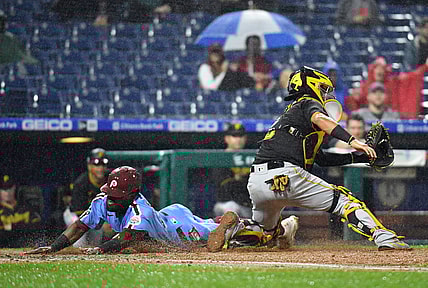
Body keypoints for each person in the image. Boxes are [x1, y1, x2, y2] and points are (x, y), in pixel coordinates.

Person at [222, 66, 410, 251]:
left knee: (265, 232)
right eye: (323, 89)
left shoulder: (290, 116)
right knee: (346, 201)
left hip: (257, 182)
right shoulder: (307, 102)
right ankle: (385, 238)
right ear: (311, 86)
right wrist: (354, 141)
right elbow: (320, 118)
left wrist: (360, 157)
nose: (326, 94)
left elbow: (321, 159)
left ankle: (236, 230)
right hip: (285, 176)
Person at [25, 166, 298, 254]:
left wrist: (100, 249)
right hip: (169, 216)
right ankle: (280, 232)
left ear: (132, 193)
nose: (111, 199)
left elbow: (130, 238)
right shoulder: (102, 201)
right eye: (111, 192)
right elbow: (79, 226)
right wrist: (53, 247)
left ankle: (281, 228)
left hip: (177, 229)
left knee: (220, 238)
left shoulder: (139, 208)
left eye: (118, 195)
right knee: (216, 230)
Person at [351, 56, 428, 119]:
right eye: (377, 67)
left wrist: (425, 67)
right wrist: (354, 99)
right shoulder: (364, 87)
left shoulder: (394, 82)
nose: (380, 70)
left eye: (382, 68)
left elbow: (411, 77)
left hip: (389, 118)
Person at [65, 147, 111, 247]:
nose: (100, 168)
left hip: (96, 218)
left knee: (94, 246)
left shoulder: (111, 181)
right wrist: (103, 222)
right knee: (80, 243)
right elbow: (80, 213)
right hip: (76, 215)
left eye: (103, 164)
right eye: (96, 164)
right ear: (89, 166)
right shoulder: (81, 183)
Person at [212, 123, 252, 218]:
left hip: (247, 205)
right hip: (225, 204)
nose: (238, 139)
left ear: (245, 138)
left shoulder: (250, 157)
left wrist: (238, 179)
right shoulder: (220, 158)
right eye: (234, 136)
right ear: (227, 138)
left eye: (241, 136)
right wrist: (243, 179)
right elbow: (224, 187)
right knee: (231, 209)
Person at [0, 174, 42, 248]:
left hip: (23, 245)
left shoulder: (25, 208)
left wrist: (11, 227)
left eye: (10, 188)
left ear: (14, 188)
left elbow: (36, 228)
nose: (7, 192)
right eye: (3, 189)